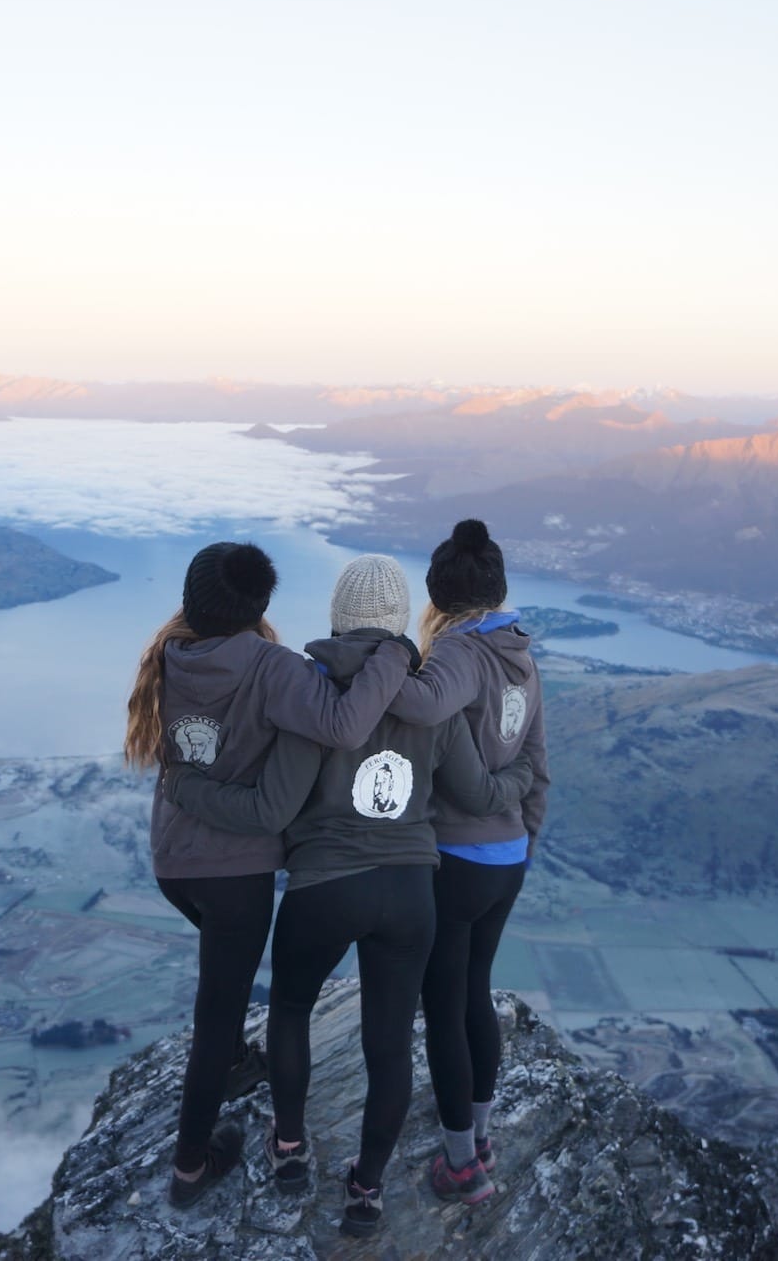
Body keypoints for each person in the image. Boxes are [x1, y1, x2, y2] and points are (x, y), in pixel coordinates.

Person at [167, 553, 534, 1237]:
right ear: (398, 620)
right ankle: (366, 1190)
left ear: (337, 617)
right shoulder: (431, 699)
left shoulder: (315, 693)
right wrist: (520, 781)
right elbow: (472, 791)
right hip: (411, 893)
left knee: (291, 1010)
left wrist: (190, 789)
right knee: (388, 1044)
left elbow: (277, 803)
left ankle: (288, 1149)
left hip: (325, 888)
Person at [124, 541, 416, 1208]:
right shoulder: (273, 667)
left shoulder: (170, 653)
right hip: (234, 877)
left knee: (221, 994)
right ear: (259, 604)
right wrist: (395, 654)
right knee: (216, 1014)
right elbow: (345, 724)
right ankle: (189, 1170)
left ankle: (234, 1060)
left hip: (173, 865)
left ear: (194, 599)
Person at [386, 519, 550, 1206]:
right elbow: (537, 761)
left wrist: (375, 658)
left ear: (439, 595)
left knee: (444, 1006)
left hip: (457, 858)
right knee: (474, 992)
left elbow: (421, 704)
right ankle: (479, 1136)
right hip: (505, 857)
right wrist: (522, 839)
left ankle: (460, 1165)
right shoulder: (519, 653)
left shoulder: (459, 649)